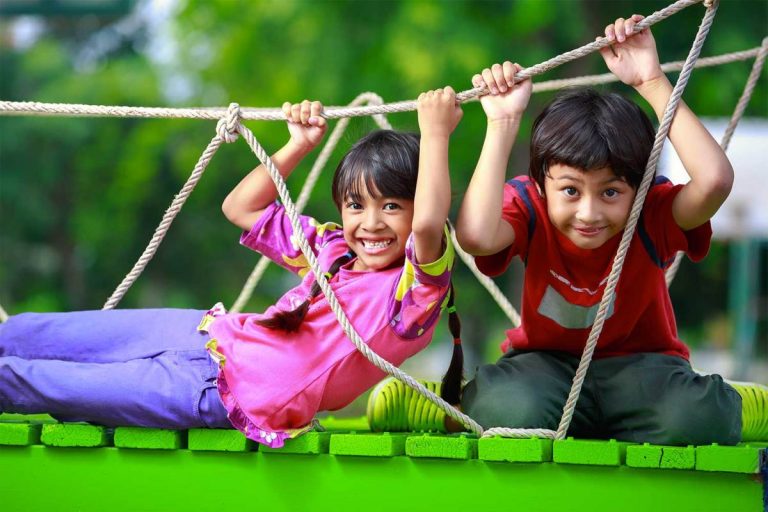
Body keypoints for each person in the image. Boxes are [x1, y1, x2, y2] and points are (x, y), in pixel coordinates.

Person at [368, 15, 767, 445]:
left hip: (643, 368)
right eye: (571, 191)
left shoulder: (650, 212)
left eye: (610, 192)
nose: (589, 212)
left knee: (697, 419)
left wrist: (651, 80)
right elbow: (477, 237)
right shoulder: (530, 205)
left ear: (638, 186)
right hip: (543, 368)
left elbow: (714, 183)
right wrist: (502, 123)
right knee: (504, 413)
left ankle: (736, 403)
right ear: (541, 186)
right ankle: (450, 404)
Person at [0, 88, 465, 448]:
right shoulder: (332, 249)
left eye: (391, 206)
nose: (370, 223)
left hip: (221, 395)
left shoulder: (413, 298)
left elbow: (427, 223)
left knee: (42, 384)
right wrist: (297, 144)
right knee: (41, 335)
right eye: (355, 205)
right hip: (206, 334)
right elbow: (240, 207)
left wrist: (436, 135)